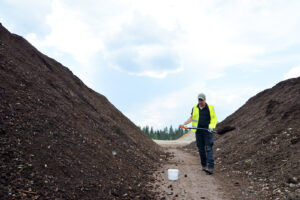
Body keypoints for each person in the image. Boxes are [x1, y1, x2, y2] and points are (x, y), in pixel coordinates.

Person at [183, 93, 217, 174]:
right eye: (199, 100)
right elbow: (191, 117)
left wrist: (211, 127)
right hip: (198, 132)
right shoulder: (194, 108)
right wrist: (185, 123)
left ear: (205, 100)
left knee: (208, 149)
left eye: (202, 100)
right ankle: (204, 166)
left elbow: (214, 119)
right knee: (201, 149)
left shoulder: (210, 108)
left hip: (207, 131)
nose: (200, 101)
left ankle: (210, 167)